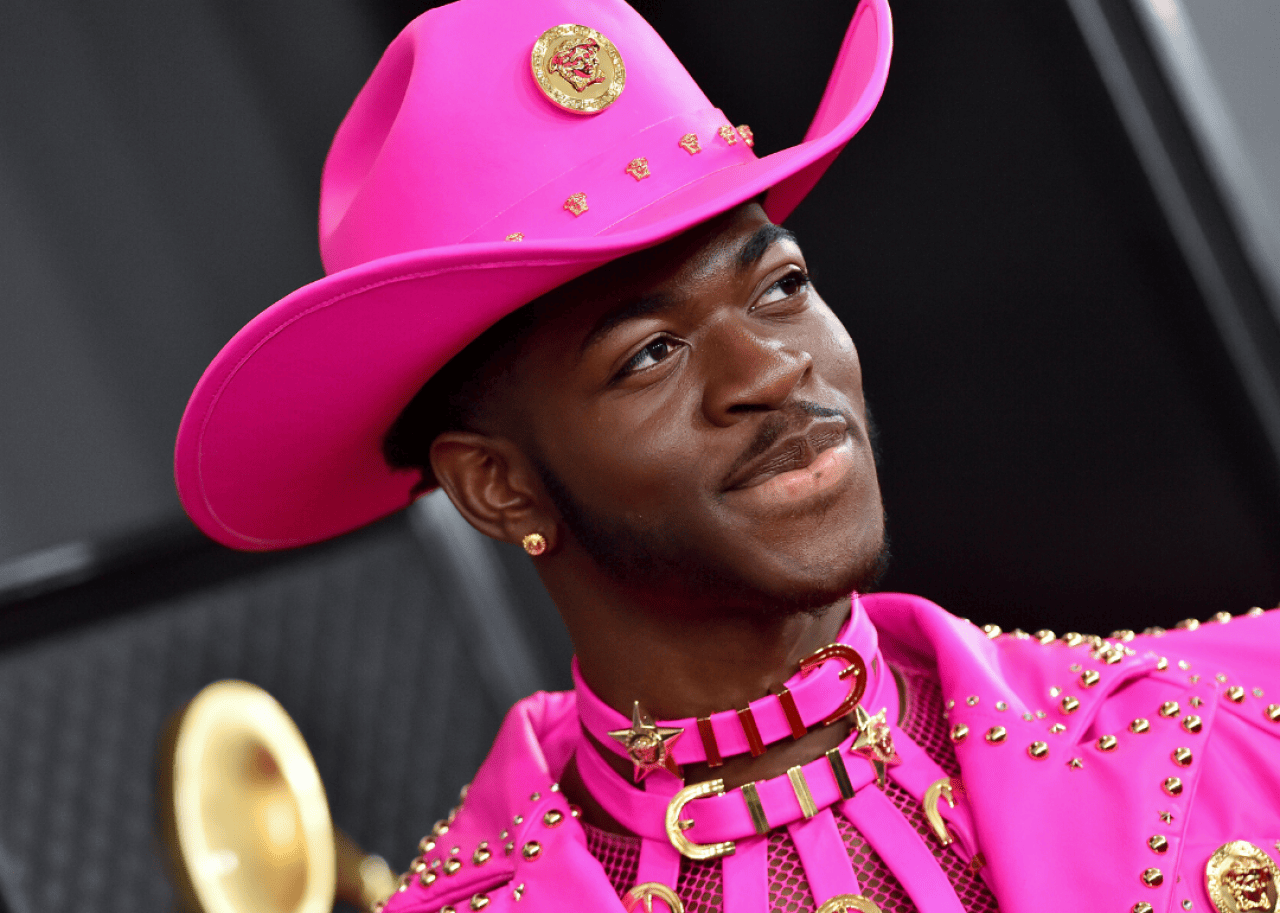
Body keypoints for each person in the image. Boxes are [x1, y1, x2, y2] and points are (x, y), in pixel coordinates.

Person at [174, 0, 1280, 911]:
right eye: (650, 352)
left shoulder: (1239, 714)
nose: (771, 369)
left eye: (781, 286)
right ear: (496, 484)